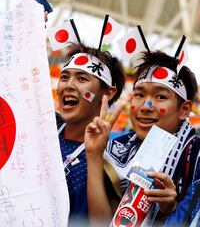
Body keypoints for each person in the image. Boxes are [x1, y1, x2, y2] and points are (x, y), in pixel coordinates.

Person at [85, 50, 200, 226]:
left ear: (184, 109)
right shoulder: (116, 149)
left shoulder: (196, 158)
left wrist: (170, 209)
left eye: (160, 96)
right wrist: (94, 156)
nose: (146, 106)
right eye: (139, 95)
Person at [55, 42, 125, 223]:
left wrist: (94, 157)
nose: (68, 85)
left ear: (107, 93)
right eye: (64, 77)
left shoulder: (112, 163)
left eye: (82, 78)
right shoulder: (42, 129)